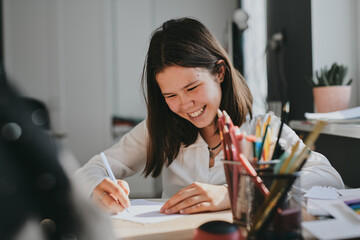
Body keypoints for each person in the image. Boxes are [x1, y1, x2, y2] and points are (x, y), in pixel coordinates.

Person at [74, 17, 344, 215]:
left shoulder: (261, 128)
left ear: (220, 72)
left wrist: (236, 194)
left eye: (192, 87)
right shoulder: (159, 128)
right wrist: (98, 188)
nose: (185, 104)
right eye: (170, 96)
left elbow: (329, 180)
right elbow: (90, 170)